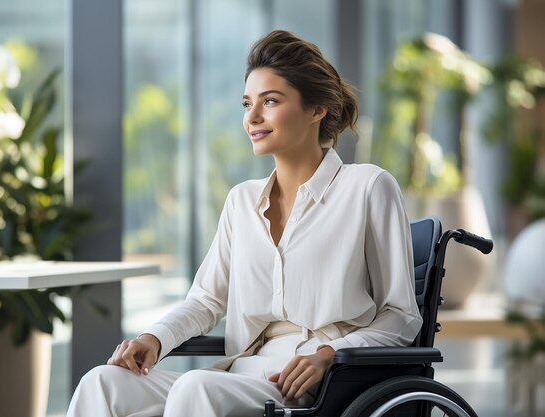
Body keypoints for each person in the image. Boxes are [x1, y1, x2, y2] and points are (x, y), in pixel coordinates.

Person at [66, 29, 423, 417]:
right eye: (247, 103)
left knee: (195, 387)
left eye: (270, 101)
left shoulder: (368, 187)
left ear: (317, 109)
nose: (252, 117)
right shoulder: (241, 201)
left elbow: (400, 315)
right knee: (102, 382)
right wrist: (154, 337)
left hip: (322, 382)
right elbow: (206, 301)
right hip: (241, 374)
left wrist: (328, 356)